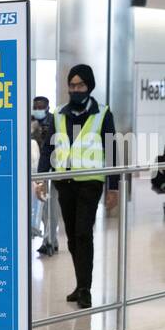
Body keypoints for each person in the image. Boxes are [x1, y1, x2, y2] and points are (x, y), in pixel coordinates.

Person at [52, 64, 119, 309]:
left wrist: (114, 187)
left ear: (89, 86)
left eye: (79, 85)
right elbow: (50, 148)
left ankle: (85, 289)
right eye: (72, 85)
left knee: (83, 234)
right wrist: (40, 177)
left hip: (91, 182)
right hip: (65, 182)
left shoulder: (102, 113)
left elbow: (112, 149)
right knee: (71, 237)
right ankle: (80, 283)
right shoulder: (59, 113)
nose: (75, 89)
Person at [30, 96, 58, 256]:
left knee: (51, 208)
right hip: (36, 171)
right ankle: (50, 240)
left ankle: (49, 241)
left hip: (51, 169)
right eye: (35, 106)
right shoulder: (30, 122)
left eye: (41, 107)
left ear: (47, 108)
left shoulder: (54, 121)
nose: (37, 109)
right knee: (41, 208)